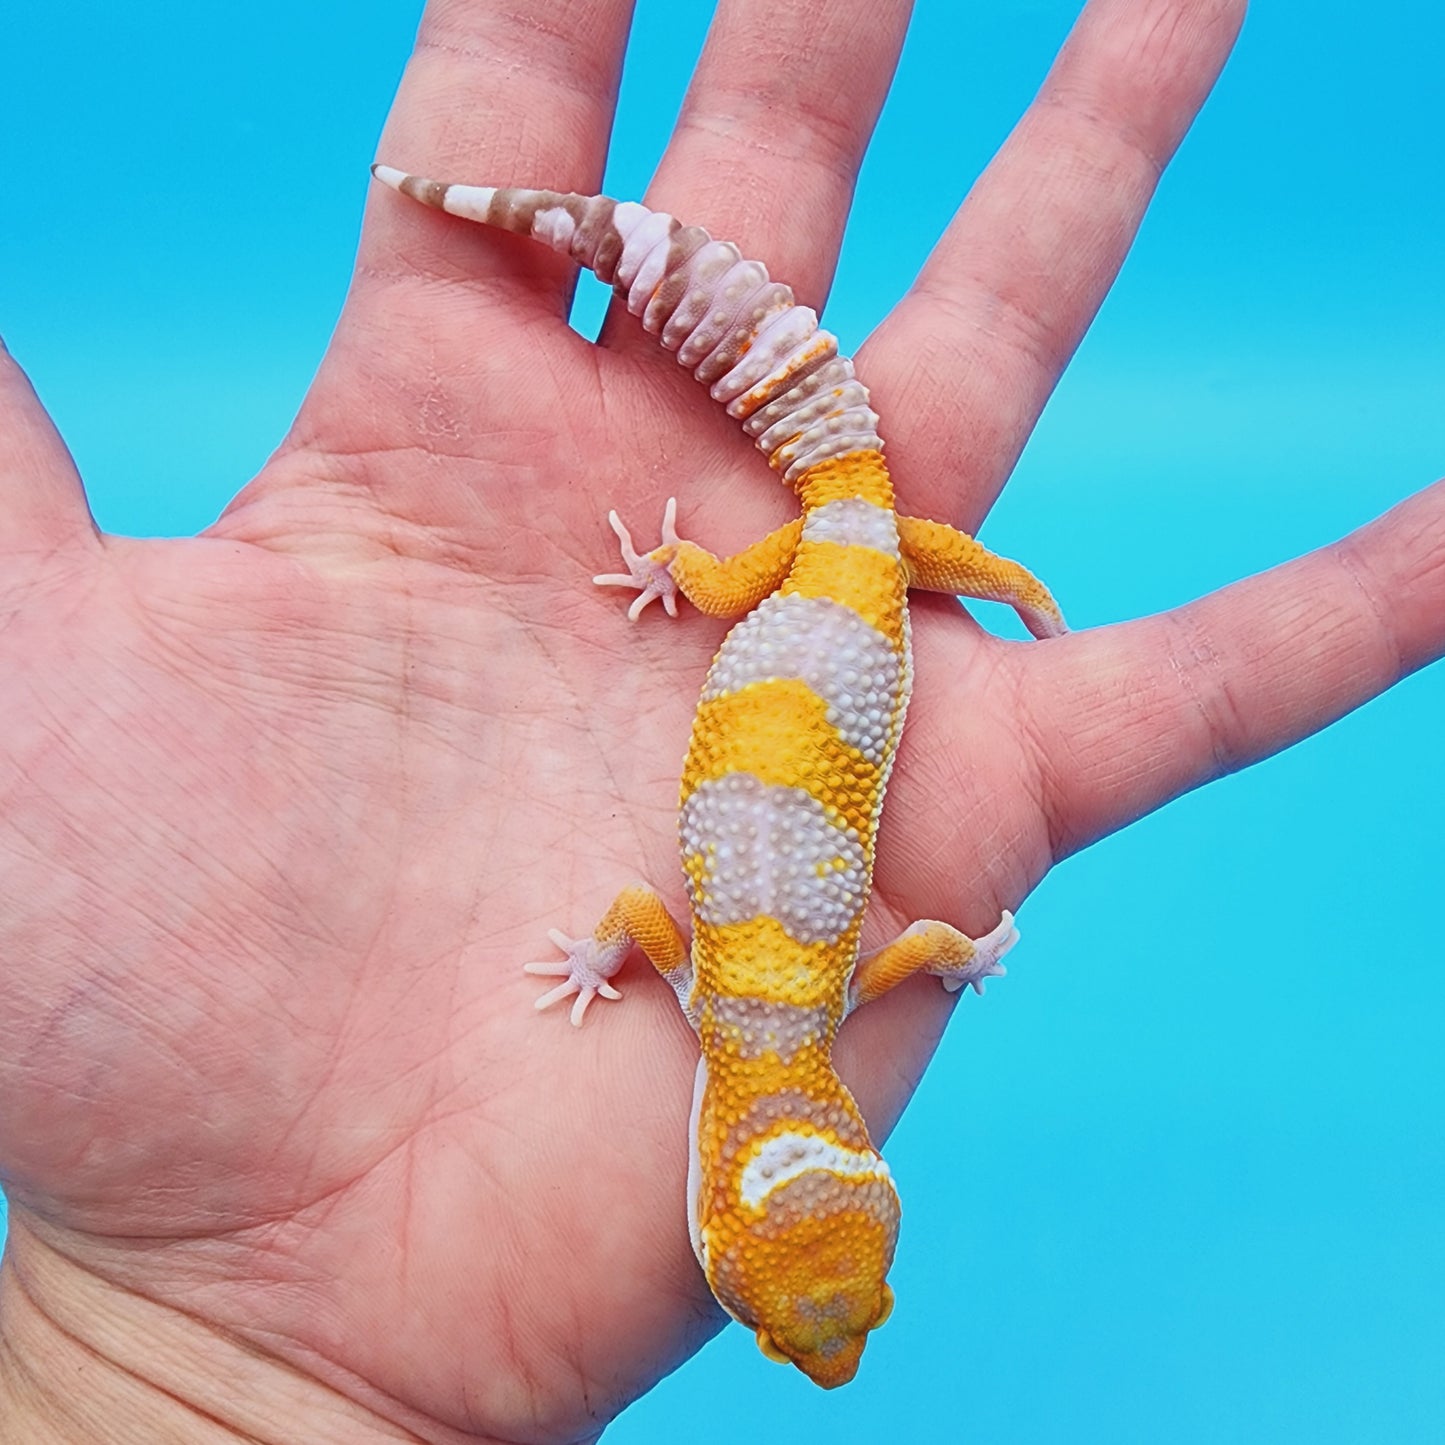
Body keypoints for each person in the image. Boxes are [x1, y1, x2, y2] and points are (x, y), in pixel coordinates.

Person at [0, 0, 1439, 1439]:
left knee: (860, 524)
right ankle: (713, 399)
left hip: (817, 590)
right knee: (861, 523)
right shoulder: (732, 1005)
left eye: (804, 1325)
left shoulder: (818, 1007)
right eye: (836, 1316)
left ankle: (863, 526)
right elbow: (648, 914)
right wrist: (603, 950)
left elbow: (914, 950)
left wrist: (970, 946)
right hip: (825, 586)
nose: (829, 1349)